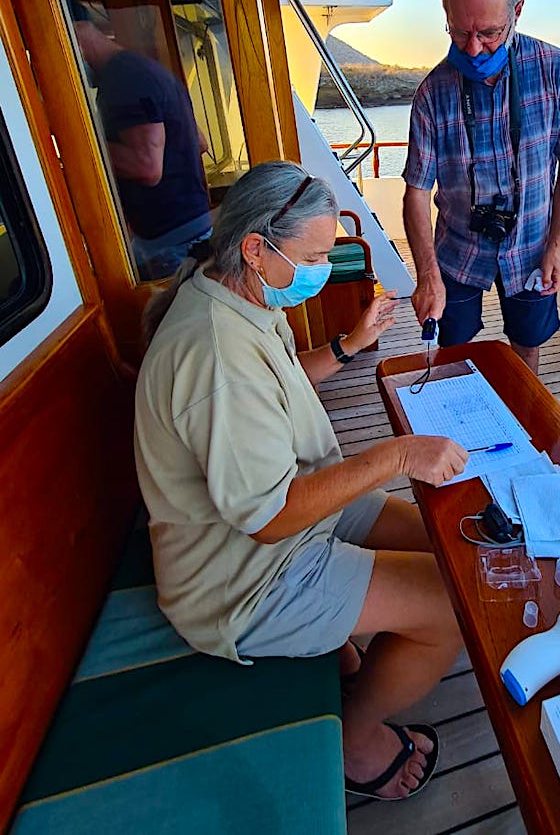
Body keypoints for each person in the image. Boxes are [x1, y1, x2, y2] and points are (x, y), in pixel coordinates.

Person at [135, 160, 467, 801]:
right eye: (314, 255)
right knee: (451, 605)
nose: (323, 268)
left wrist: (349, 344)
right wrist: (397, 455)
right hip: (241, 578)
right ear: (257, 247)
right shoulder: (215, 356)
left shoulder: (234, 291)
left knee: (446, 542)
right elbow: (266, 519)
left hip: (294, 513)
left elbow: (277, 385)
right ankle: (355, 737)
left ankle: (346, 647)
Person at [403, 0, 560, 373]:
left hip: (531, 247)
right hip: (456, 251)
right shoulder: (432, 93)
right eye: (458, 33)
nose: (472, 49)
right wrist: (427, 274)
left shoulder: (554, 69)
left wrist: (555, 247)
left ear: (518, 12)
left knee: (527, 347)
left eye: (489, 33)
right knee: (451, 348)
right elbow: (416, 193)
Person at [72, 5, 212, 280]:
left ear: (76, 33)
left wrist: (80, 141)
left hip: (169, 241)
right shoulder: (144, 70)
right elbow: (200, 142)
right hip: (191, 228)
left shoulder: (125, 78)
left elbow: (147, 166)